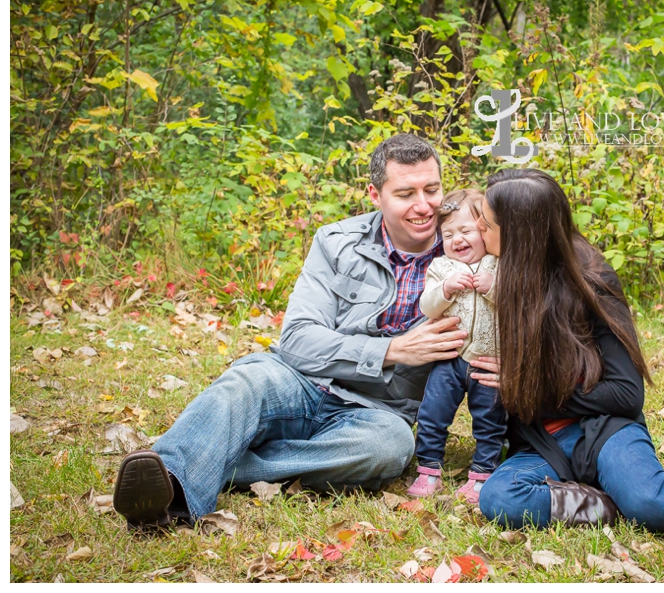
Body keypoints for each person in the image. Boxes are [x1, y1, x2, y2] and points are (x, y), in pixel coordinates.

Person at [111, 134, 482, 529]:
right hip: (300, 381)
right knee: (246, 380)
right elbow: (298, 339)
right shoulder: (336, 242)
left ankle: (219, 461)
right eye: (406, 193)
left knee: (391, 448)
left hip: (377, 411)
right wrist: (392, 351)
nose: (423, 206)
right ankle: (165, 489)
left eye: (432, 189)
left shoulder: (466, 255)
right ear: (376, 194)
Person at [472, 168, 664, 531]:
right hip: (542, 445)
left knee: (655, 507)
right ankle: (609, 502)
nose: (478, 227)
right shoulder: (495, 277)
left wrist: (530, 388)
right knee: (500, 498)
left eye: (486, 223)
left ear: (521, 236)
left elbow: (626, 394)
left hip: (604, 429)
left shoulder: (591, 283)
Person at [406, 189, 507, 504]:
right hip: (451, 359)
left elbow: (518, 302)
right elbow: (427, 306)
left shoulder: (500, 265)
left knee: (489, 418)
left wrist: (494, 289)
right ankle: (429, 468)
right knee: (433, 412)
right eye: (447, 234)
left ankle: (482, 474)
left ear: (483, 229)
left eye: (465, 231)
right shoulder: (441, 268)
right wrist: (445, 290)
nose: (457, 239)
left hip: (489, 361)